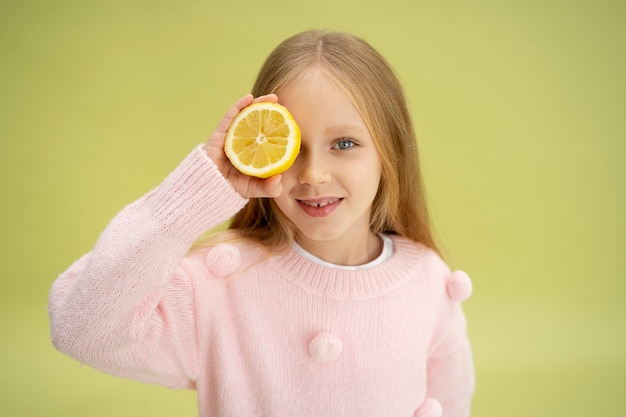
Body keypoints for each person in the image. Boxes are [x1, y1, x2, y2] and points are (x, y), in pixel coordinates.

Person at [49, 29, 475, 417]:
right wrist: (192, 196)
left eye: (344, 143)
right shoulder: (220, 284)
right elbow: (82, 328)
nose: (313, 174)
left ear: (389, 151)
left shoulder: (427, 283)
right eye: (291, 146)